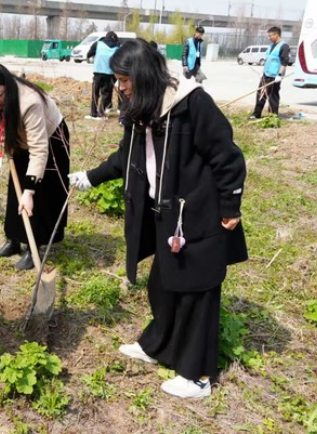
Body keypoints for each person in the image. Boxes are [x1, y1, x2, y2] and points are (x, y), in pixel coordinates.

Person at [69, 39, 247, 398]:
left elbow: (227, 156)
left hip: (197, 213)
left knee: (197, 292)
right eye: (118, 80)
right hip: (164, 212)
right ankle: (159, 346)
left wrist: (230, 206)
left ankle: (197, 376)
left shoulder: (191, 104)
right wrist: (91, 177)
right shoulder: (143, 109)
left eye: (124, 80)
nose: (120, 87)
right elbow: (126, 157)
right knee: (163, 285)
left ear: (144, 76)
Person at [0, 63, 70, 270]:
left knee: (38, 192)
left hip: (49, 139)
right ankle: (13, 239)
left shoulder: (30, 101)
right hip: (19, 136)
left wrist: (29, 191)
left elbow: (39, 149)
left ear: (8, 88)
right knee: (16, 187)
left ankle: (33, 246)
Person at [250, 26, 290, 119]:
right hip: (266, 74)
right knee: (261, 94)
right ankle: (256, 114)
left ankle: (272, 117)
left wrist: (279, 75)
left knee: (272, 96)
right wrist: (263, 72)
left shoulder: (284, 46)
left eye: (270, 36)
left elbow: (284, 62)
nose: (269, 38)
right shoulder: (272, 45)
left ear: (276, 35)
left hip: (274, 76)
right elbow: (269, 59)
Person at [85, 31, 120, 120]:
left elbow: (89, 54)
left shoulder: (98, 44)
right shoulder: (117, 47)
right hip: (110, 74)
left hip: (98, 72)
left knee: (95, 93)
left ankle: (93, 113)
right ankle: (101, 114)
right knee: (106, 94)